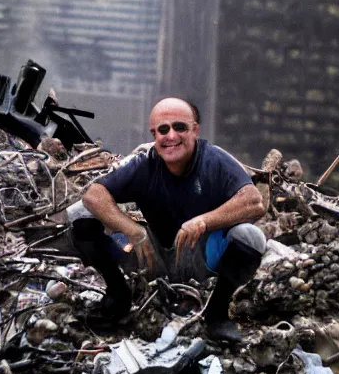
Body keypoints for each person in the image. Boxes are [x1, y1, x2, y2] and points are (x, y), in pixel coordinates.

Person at [70, 97, 267, 341]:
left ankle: (217, 314)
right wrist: (133, 231)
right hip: (149, 256)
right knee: (81, 215)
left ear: (195, 130)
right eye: (163, 130)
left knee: (250, 237)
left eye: (180, 127)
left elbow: (255, 201)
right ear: (154, 135)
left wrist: (203, 221)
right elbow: (93, 195)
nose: (171, 136)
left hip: (200, 255)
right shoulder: (144, 164)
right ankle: (118, 295)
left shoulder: (214, 160)